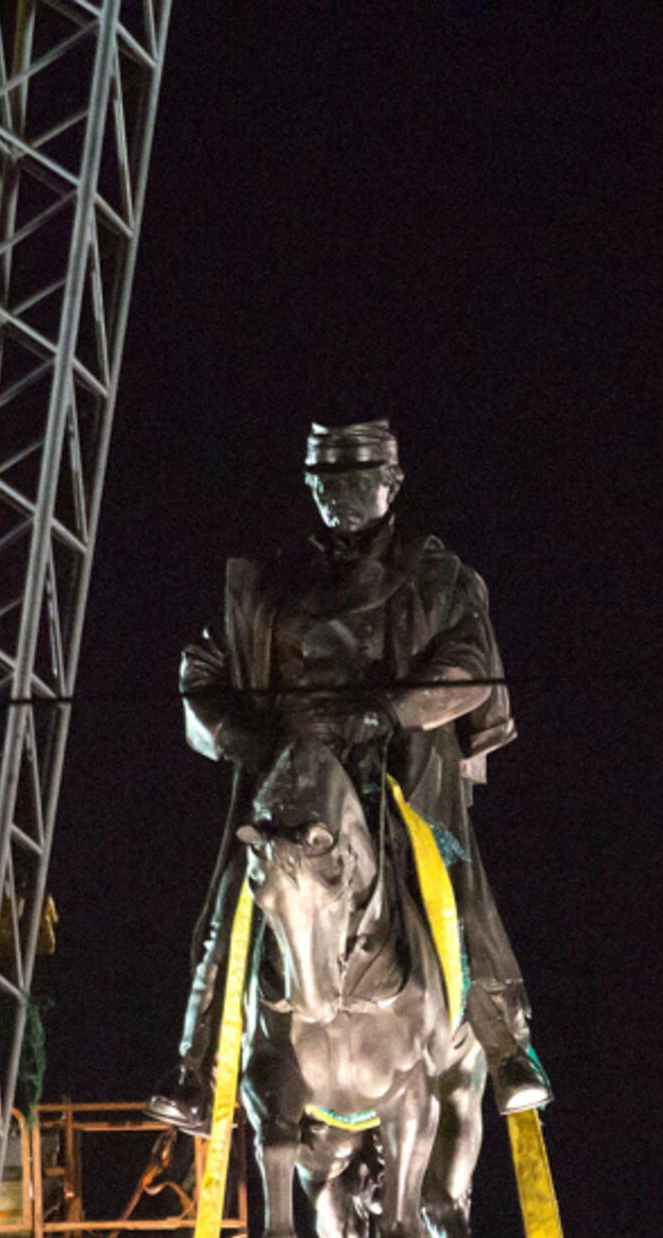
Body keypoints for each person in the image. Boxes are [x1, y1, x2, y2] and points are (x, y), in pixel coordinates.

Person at [155, 419, 549, 1132]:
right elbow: (201, 669)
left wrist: (390, 712)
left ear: (392, 486)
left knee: (453, 872)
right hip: (292, 767)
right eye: (327, 486)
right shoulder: (273, 581)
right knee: (236, 893)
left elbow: (471, 665)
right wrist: (246, 736)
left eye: (357, 484)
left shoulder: (437, 574)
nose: (341, 500)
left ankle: (506, 1039)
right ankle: (194, 1058)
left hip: (390, 764)